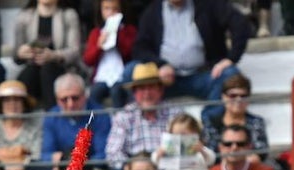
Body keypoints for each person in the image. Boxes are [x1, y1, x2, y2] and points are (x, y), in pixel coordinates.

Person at [117, 0, 247, 119]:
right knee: (130, 73)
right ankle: (140, 122)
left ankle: (210, 124)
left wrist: (230, 59)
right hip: (163, 80)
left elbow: (239, 23)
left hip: (202, 75)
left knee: (230, 74)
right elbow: (139, 48)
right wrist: (160, 65)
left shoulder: (208, 4)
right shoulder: (152, 11)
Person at [105, 62, 179, 170]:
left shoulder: (175, 113)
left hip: (167, 168)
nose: (147, 93)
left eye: (151, 87)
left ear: (160, 90)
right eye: (141, 89)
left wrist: (160, 166)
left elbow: (184, 146)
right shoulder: (124, 116)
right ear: (134, 93)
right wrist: (129, 168)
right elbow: (112, 153)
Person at [40, 73, 112, 170]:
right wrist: (60, 160)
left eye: (75, 98)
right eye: (64, 99)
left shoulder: (99, 114)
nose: (70, 104)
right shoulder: (51, 117)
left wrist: (77, 163)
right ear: (57, 100)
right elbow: (45, 154)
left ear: (85, 95)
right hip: (62, 169)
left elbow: (103, 154)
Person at [12, 0, 82, 106]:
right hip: (32, 67)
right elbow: (15, 53)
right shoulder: (24, 16)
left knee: (48, 70)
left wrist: (54, 55)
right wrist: (22, 53)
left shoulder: (69, 15)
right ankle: (23, 117)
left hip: (60, 68)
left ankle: (52, 115)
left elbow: (75, 51)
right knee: (28, 74)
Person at [200, 73, 269, 160]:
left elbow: (261, 153)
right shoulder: (211, 122)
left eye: (243, 96)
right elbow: (211, 154)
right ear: (223, 97)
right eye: (233, 96)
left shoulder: (256, 122)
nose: (238, 100)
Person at [82, 0, 136, 107]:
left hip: (121, 76)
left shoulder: (129, 30)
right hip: (102, 77)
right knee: (94, 93)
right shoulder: (96, 33)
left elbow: (130, 52)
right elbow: (88, 60)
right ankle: (94, 122)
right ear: (101, 11)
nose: (110, 13)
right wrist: (99, 46)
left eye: (114, 9)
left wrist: (117, 37)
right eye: (106, 8)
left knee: (116, 92)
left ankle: (119, 121)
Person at [208, 124, 278, 170]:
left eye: (240, 144)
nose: (234, 148)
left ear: (249, 147)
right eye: (228, 144)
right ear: (220, 147)